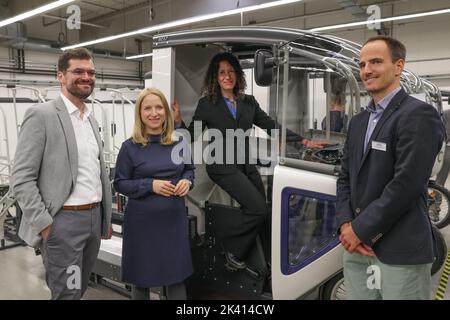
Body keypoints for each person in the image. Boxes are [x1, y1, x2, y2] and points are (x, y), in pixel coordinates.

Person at [173, 51, 326, 270]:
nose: (227, 76)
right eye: (222, 72)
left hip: (246, 164)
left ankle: (270, 260)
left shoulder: (248, 102)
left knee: (265, 211)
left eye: (231, 71)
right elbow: (193, 135)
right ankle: (231, 250)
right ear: (215, 78)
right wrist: (178, 123)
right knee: (258, 209)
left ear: (238, 75)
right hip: (222, 166)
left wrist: (303, 141)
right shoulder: (207, 104)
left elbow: (270, 125)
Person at [336, 36, 444, 300]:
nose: (366, 70)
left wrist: (360, 230)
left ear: (398, 66)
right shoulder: (359, 121)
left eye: (375, 62)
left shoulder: (417, 115)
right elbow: (344, 177)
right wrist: (345, 225)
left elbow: (406, 184)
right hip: (356, 249)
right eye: (362, 64)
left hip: (399, 249)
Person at [11, 48, 112, 300]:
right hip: (63, 221)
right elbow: (21, 179)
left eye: (91, 72)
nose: (86, 77)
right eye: (78, 71)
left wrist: (104, 218)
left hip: (93, 218)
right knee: (67, 293)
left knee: (79, 289)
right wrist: (45, 225)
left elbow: (95, 173)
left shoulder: (89, 119)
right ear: (60, 76)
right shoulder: (42, 115)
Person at [114, 87, 194, 300]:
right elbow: (120, 184)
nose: (154, 113)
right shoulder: (129, 147)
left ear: (166, 112)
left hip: (173, 221)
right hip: (142, 224)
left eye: (159, 107)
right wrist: (151, 185)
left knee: (176, 277)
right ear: (140, 113)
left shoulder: (179, 143)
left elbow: (189, 169)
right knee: (142, 278)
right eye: (147, 108)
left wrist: (187, 181)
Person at [436, 108, 450, 186]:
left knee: (440, 179)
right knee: (441, 178)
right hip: (447, 149)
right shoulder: (445, 113)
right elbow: (439, 130)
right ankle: (437, 196)